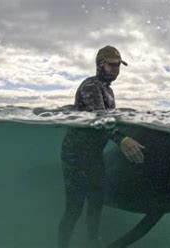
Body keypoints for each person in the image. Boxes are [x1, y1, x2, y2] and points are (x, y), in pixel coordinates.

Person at [58, 45, 145, 248]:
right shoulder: (90, 86)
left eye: (118, 65)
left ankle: (93, 243)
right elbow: (100, 118)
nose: (116, 69)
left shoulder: (109, 90)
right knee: (74, 209)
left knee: (96, 204)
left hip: (94, 157)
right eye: (112, 65)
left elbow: (108, 120)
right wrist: (122, 139)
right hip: (75, 158)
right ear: (100, 65)